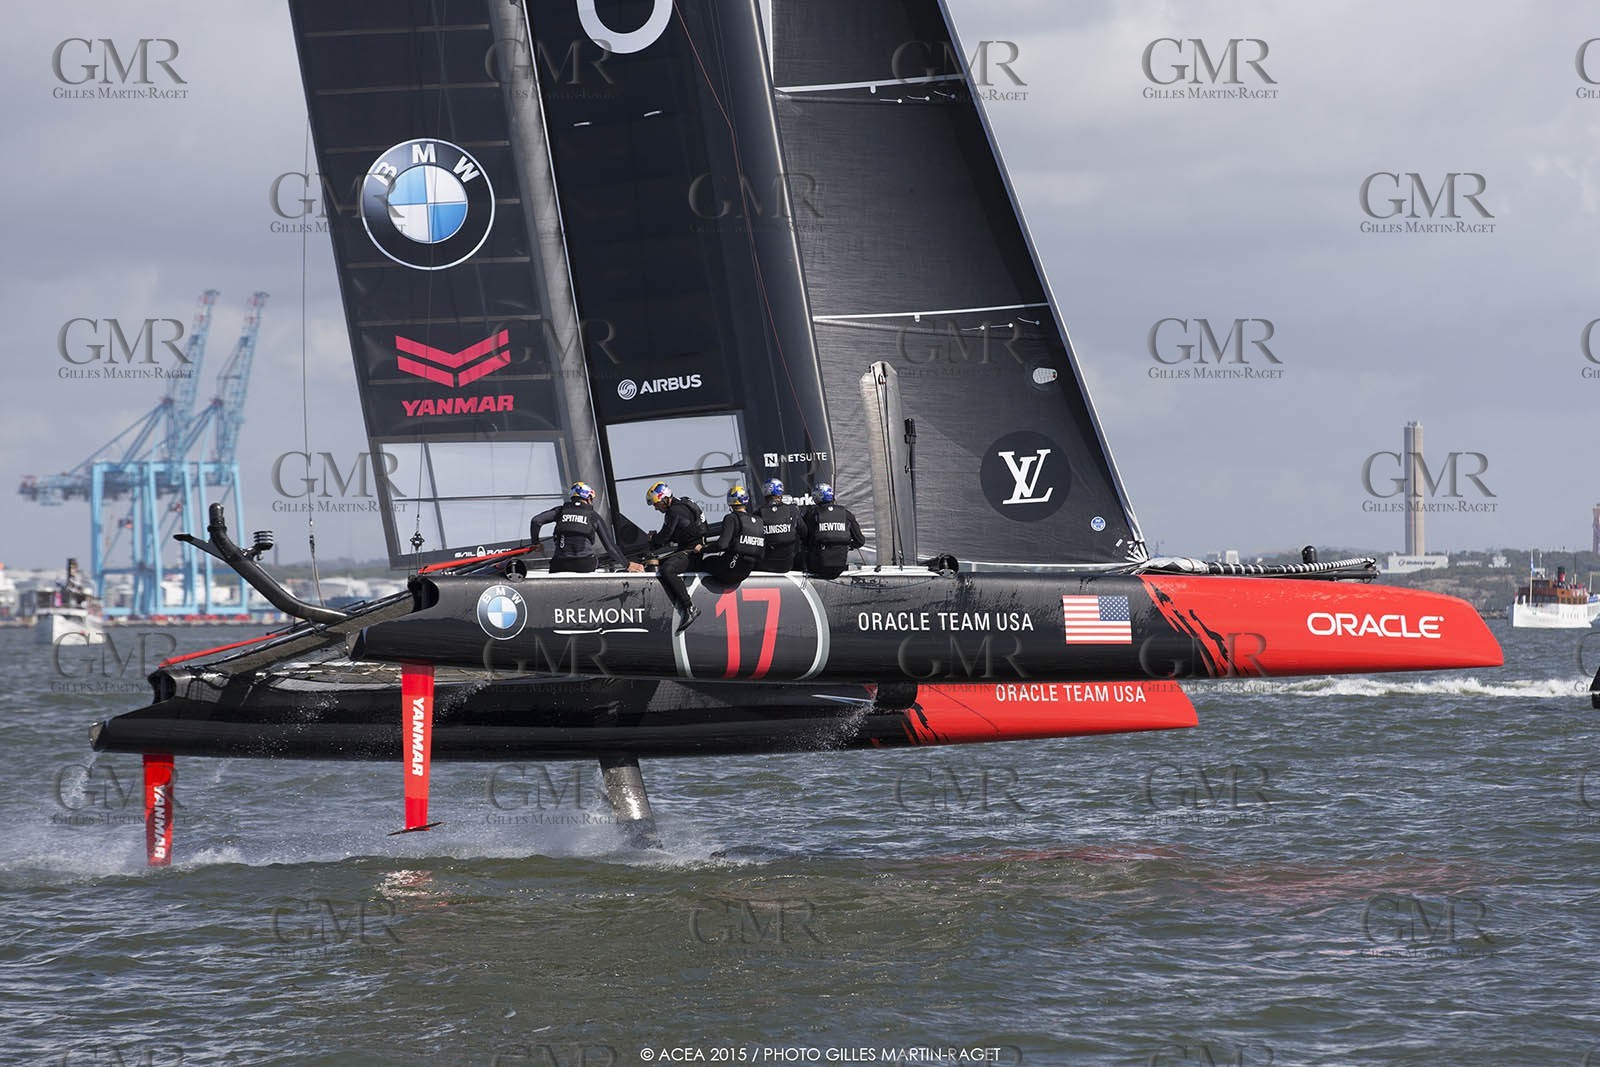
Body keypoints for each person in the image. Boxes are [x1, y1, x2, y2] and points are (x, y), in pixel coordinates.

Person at [528, 482, 642, 574]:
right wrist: (627, 564)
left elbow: (536, 521)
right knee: (593, 561)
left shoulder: (560, 511)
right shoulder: (593, 516)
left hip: (560, 565)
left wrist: (535, 543)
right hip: (584, 565)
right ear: (588, 498)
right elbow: (610, 547)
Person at [643, 480, 707, 632]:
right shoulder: (684, 502)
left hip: (692, 553)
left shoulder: (673, 512)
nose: (656, 508)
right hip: (690, 549)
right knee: (655, 563)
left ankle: (689, 607)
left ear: (664, 499)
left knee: (667, 570)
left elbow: (663, 538)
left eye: (656, 504)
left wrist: (653, 539)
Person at [702, 485, 766, 586]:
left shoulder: (731, 518)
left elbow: (721, 545)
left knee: (706, 561)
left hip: (729, 571)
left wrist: (702, 549)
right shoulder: (759, 521)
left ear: (730, 501)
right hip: (745, 573)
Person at [802, 482, 865, 580]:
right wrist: (847, 545)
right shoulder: (847, 514)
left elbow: (805, 539)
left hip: (818, 566)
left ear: (817, 497)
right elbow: (860, 541)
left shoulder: (812, 514)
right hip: (840, 567)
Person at [755, 478, 804, 573]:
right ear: (780, 491)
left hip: (765, 566)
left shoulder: (758, 513)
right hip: (788, 565)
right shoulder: (792, 510)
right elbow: (805, 534)